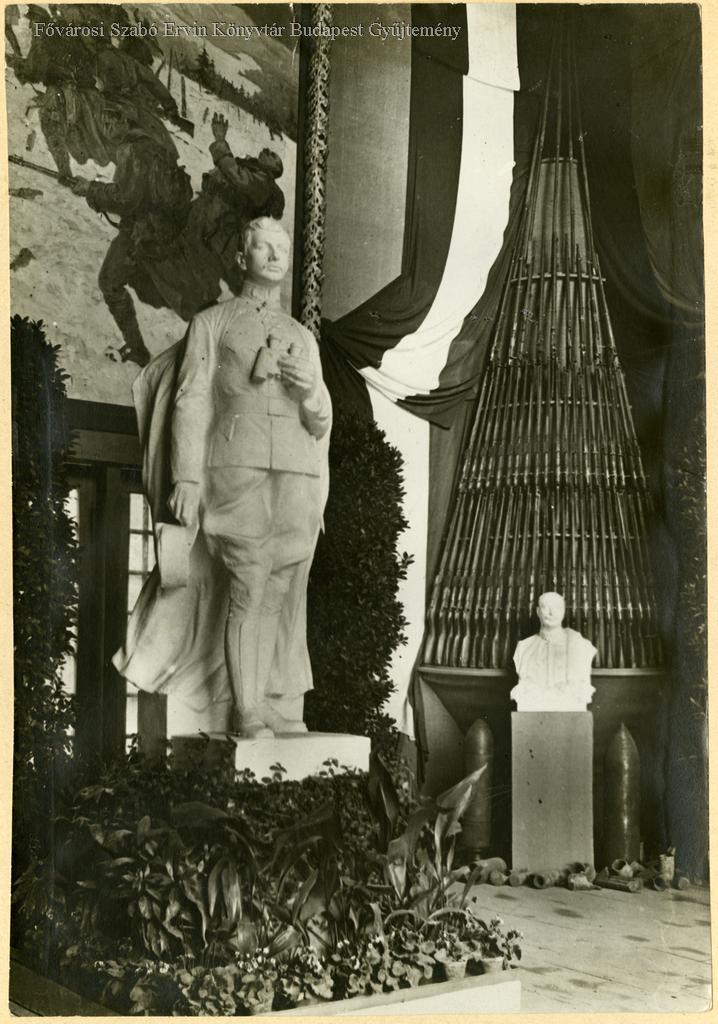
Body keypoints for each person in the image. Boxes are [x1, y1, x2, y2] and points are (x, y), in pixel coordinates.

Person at [114, 218, 331, 738]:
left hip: (296, 471)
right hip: (236, 467)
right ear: (241, 257)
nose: (275, 256)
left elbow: (321, 419)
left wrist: (310, 392)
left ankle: (259, 697)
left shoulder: (302, 336)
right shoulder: (212, 322)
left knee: (276, 587)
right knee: (249, 580)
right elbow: (191, 400)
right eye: (264, 247)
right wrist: (187, 479)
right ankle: (244, 710)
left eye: (282, 248)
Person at [71, 98, 192, 366]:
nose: (105, 126)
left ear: (125, 121)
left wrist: (91, 189)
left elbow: (125, 199)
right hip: (163, 228)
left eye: (111, 120)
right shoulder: (150, 143)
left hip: (143, 232)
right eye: (103, 120)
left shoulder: (130, 149)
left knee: (109, 282)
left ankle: (138, 350)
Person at [511, 592, 596, 711]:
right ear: (538, 611)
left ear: (563, 611)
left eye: (557, 607)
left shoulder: (580, 645)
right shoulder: (524, 647)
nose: (551, 613)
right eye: (545, 607)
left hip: (571, 713)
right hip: (532, 714)